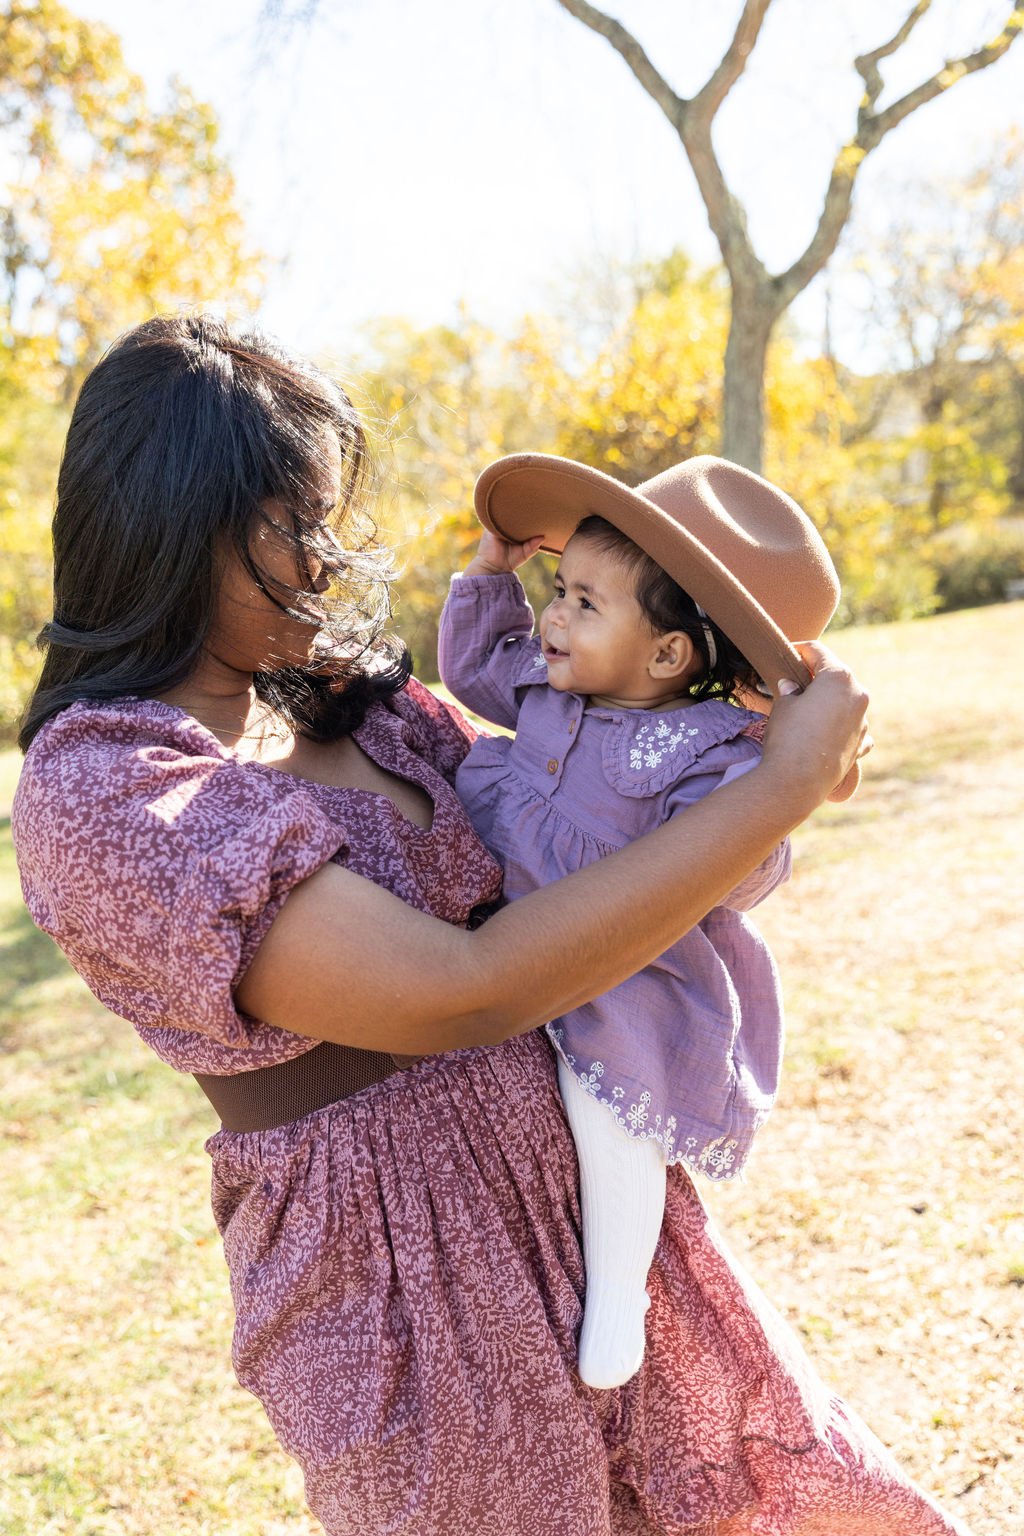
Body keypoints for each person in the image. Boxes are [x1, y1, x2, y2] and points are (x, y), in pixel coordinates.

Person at [11, 313, 962, 1536]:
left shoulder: (369, 707)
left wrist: (745, 748)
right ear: (180, 526)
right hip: (406, 1279)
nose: (332, 557)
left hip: (583, 1211)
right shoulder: (109, 788)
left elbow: (598, 823)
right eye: (297, 524)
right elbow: (469, 986)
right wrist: (776, 788)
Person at [438, 452, 849, 1391]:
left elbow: (742, 862)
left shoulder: (705, 748)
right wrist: (492, 569)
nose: (554, 617)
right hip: (513, 944)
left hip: (627, 972)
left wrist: (779, 784)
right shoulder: (544, 691)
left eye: (586, 602)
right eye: (557, 589)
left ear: (668, 655)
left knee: (606, 1105)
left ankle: (618, 1289)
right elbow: (469, 664)